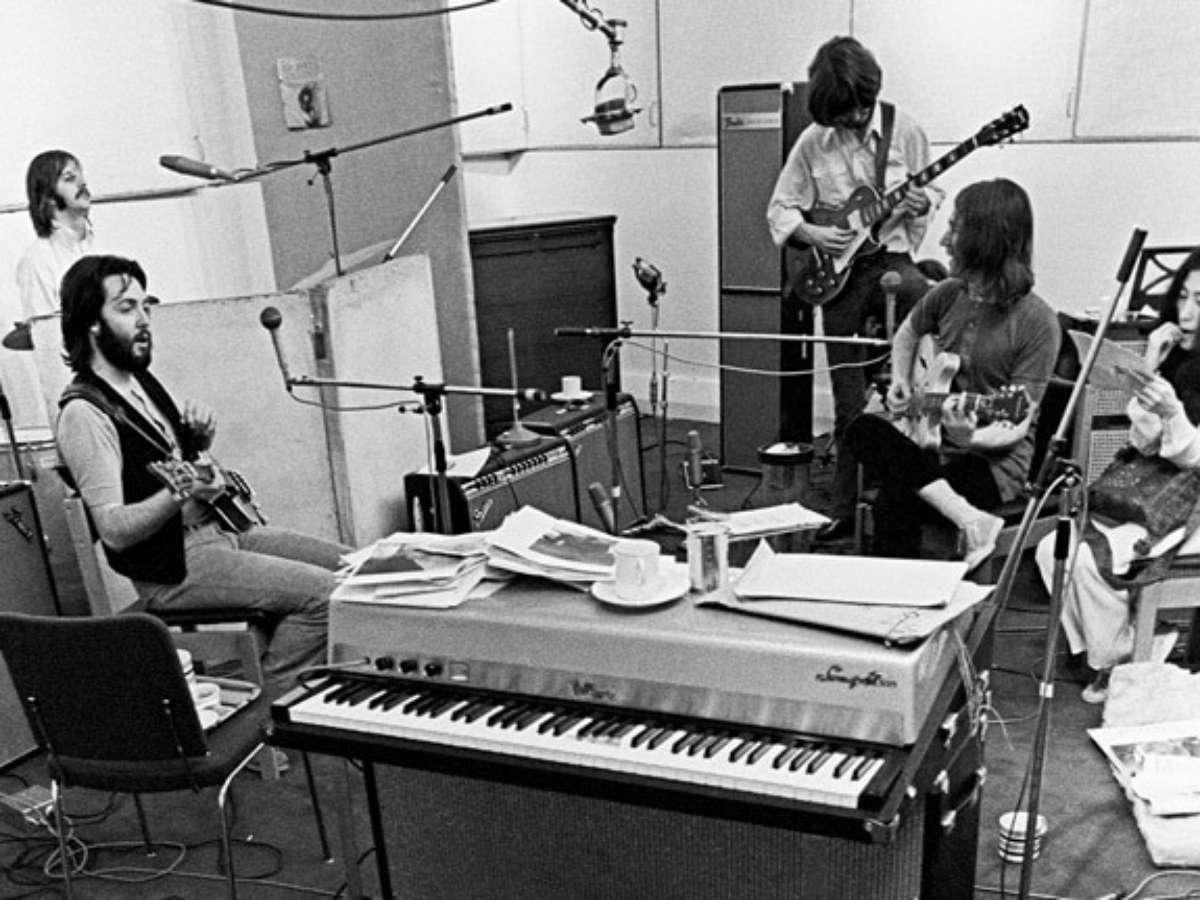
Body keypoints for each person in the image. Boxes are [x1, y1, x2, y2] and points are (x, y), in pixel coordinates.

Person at [55, 254, 350, 701]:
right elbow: (113, 529)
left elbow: (175, 469)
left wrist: (197, 444)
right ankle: (275, 710)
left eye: (146, 306)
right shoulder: (84, 413)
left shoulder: (139, 383)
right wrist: (181, 490)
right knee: (325, 596)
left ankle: (302, 687)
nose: (144, 320)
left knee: (354, 567)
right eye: (126, 308)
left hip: (222, 530)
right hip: (174, 568)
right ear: (91, 323)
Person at [767, 35, 943, 542]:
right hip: (839, 275)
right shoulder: (812, 142)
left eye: (858, 111)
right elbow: (780, 208)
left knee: (928, 348)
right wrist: (813, 234)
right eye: (841, 116)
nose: (852, 122)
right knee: (849, 401)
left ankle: (920, 493)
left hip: (894, 261)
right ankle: (843, 508)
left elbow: (931, 191)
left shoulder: (905, 129)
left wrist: (922, 203)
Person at [844, 178, 1061, 573]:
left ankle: (896, 599)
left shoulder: (1038, 322)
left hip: (993, 465)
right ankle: (971, 520)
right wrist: (902, 382)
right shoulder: (947, 293)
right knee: (861, 429)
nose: (944, 241)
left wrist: (971, 437)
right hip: (936, 445)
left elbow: (1015, 422)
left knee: (897, 496)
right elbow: (907, 334)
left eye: (955, 228)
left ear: (985, 239)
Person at [1036, 248, 1200, 703]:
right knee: (1052, 550)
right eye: (1182, 297)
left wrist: (1173, 413)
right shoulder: (1180, 358)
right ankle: (1120, 649)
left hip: (1192, 507)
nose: (1185, 314)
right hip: (1160, 493)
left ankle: (1117, 656)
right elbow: (1145, 443)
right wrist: (1150, 365)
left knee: (1085, 560)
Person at [15, 150, 96, 321]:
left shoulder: (99, 244)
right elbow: (45, 331)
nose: (83, 183)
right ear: (48, 196)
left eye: (81, 176)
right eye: (69, 178)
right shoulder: (37, 259)